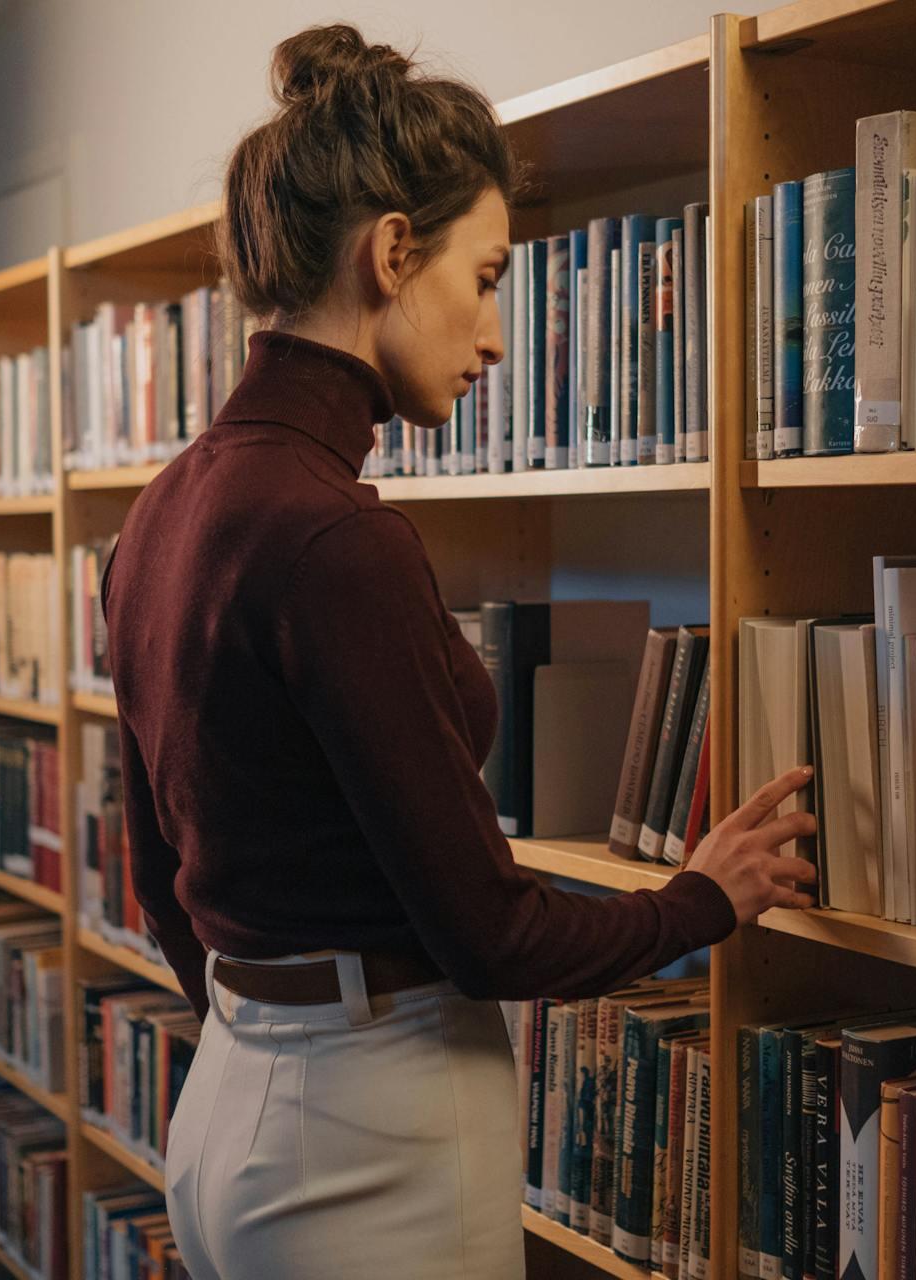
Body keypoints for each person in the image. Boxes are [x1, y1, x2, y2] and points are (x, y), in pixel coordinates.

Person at [100, 23, 817, 1280]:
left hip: (229, 1101)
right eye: (486, 278)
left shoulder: (160, 512)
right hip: (367, 1133)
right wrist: (702, 898)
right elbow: (490, 933)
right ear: (390, 253)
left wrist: (268, 1019)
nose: (494, 337)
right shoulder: (334, 540)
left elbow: (159, 875)